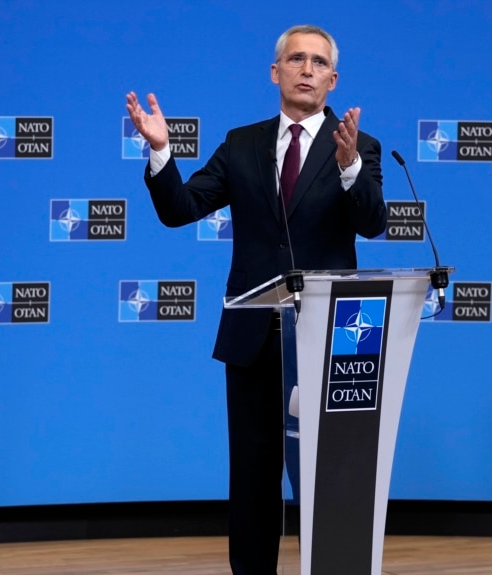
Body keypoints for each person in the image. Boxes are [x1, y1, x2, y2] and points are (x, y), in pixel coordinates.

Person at [125, 24, 386, 575]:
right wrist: (160, 151)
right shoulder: (242, 143)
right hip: (252, 340)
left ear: (333, 80)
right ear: (276, 72)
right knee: (252, 479)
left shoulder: (358, 146)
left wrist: (349, 169)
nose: (307, 69)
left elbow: (374, 223)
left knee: (330, 478)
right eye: (296, 59)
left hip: (328, 344)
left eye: (319, 63)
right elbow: (180, 209)